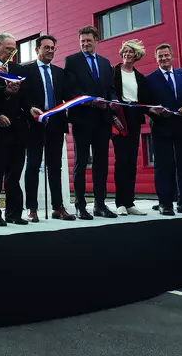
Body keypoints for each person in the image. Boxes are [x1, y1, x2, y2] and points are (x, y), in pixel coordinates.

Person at [64, 26, 117, 220]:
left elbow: (110, 89)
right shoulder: (72, 61)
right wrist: (91, 102)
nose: (85, 44)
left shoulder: (105, 63)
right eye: (82, 41)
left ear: (96, 40)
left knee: (101, 163)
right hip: (82, 119)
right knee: (81, 162)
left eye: (89, 40)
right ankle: (80, 205)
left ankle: (100, 205)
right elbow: (70, 90)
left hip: (103, 120)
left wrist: (111, 101)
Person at [21, 35, 76, 222]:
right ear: (37, 50)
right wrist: (30, 109)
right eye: (46, 47)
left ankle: (58, 207)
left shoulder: (60, 73)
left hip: (56, 124)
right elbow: (22, 96)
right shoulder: (26, 70)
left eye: (53, 48)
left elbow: (68, 96)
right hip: (34, 123)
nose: (50, 51)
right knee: (33, 166)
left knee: (55, 167)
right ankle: (32, 208)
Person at [145, 44, 182, 216]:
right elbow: (145, 103)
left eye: (166, 55)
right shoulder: (150, 79)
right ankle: (165, 204)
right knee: (163, 165)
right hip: (161, 126)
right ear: (156, 58)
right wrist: (153, 111)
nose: (164, 59)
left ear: (172, 56)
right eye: (160, 56)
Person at [0, 33, 29, 226]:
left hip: (18, 128)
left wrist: (30, 109)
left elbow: (25, 97)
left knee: (15, 173)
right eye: (8, 48)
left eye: (14, 49)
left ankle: (14, 213)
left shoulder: (18, 69)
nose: (11, 52)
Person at [111, 39, 152, 216]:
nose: (127, 54)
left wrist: (153, 109)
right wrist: (112, 115)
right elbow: (109, 94)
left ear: (137, 56)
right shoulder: (113, 72)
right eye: (125, 51)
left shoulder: (140, 77)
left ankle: (129, 202)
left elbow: (145, 100)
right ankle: (120, 202)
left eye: (131, 52)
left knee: (132, 161)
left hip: (134, 117)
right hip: (119, 118)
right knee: (121, 160)